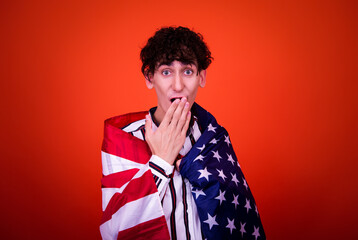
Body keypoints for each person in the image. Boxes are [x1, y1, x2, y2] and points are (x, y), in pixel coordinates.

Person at [100, 26, 266, 240]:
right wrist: (161, 162)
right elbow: (114, 229)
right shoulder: (122, 141)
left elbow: (237, 216)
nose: (178, 86)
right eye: (166, 72)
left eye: (187, 71)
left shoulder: (213, 137)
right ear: (150, 78)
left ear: (201, 77)